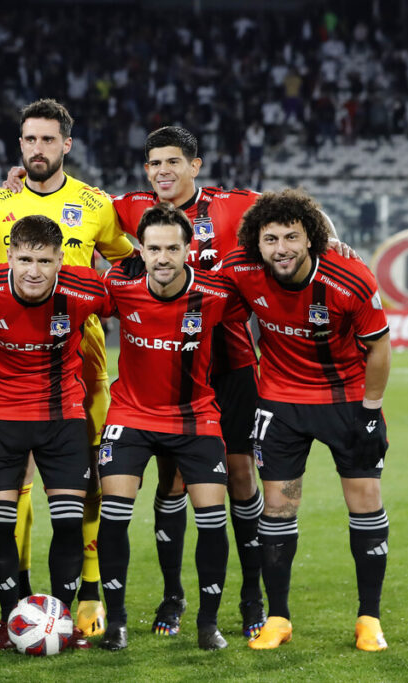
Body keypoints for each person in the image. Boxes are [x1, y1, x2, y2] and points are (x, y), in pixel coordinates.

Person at [0, 99, 135, 638]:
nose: (38, 149)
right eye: (30, 140)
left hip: (81, 367)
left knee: (87, 483)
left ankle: (88, 593)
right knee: (12, 492)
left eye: (49, 140)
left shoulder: (96, 204)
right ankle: (22, 602)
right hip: (9, 371)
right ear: (19, 145)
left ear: (66, 144)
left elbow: (126, 261)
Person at [216, 190, 391, 652]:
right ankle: (278, 618)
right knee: (277, 509)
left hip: (347, 403)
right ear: (257, 243)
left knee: (365, 502)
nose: (281, 248)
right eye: (270, 238)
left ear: (312, 239)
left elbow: (379, 347)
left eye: (292, 236)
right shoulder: (241, 269)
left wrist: (371, 412)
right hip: (279, 405)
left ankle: (369, 619)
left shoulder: (349, 277)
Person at [108, 126, 267, 638]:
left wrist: (327, 234)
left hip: (232, 366)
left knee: (240, 481)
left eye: (173, 162)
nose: (162, 172)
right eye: (154, 163)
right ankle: (174, 598)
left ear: (195, 165)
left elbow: (291, 211)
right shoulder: (130, 206)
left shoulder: (235, 204)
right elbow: (78, 206)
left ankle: (250, 598)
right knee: (172, 480)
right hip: (167, 373)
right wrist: (20, 183)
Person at [0, 215, 116, 650]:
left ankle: (58, 620)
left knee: (68, 525)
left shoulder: (84, 288)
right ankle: (9, 621)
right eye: (24, 259)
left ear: (62, 259)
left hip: (63, 420)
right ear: (9, 255)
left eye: (44, 260)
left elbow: (140, 299)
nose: (34, 270)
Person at [96, 202, 246, 652]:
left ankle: (207, 622)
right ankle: (117, 621)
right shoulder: (119, 286)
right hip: (131, 414)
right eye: (154, 248)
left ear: (187, 249)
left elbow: (271, 291)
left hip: (196, 416)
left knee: (213, 521)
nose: (162, 258)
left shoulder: (217, 294)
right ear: (140, 249)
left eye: (172, 249)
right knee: (115, 515)